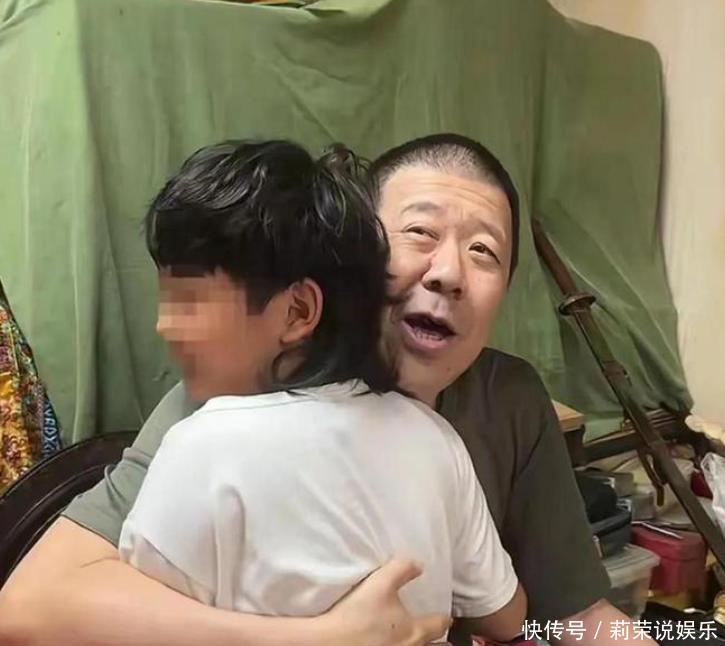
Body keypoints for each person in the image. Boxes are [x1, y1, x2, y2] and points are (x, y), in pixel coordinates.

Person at [0, 133, 646, 646]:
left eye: (484, 252)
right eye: (420, 233)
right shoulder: (230, 396)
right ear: (355, 255)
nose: (449, 272)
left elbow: (576, 615)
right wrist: (315, 639)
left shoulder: (508, 397)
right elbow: (32, 606)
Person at [117, 137, 526, 644]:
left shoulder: (200, 447)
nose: (164, 326)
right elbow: (507, 617)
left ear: (299, 311)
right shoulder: (438, 441)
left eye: (191, 302)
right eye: (421, 233)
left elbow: (128, 627)